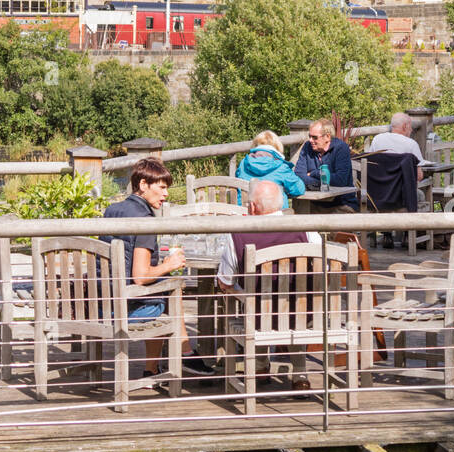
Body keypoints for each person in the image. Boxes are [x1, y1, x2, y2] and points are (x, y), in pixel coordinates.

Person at [102, 156, 208, 382]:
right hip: (126, 310)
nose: (166, 194)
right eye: (161, 188)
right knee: (169, 294)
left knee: (165, 288)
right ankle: (180, 355)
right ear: (143, 185)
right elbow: (140, 277)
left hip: (101, 304)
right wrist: (169, 265)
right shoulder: (145, 220)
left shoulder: (111, 211)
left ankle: (170, 360)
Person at [216, 178, 314, 391]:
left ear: (251, 207)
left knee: (254, 302)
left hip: (258, 317)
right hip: (304, 315)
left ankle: (259, 367)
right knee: (292, 304)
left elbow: (225, 281)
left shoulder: (238, 235)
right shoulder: (306, 230)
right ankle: (300, 375)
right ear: (281, 205)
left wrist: (235, 289)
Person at [295, 119, 357, 212]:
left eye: (315, 137)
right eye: (309, 136)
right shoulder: (307, 147)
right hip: (313, 203)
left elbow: (341, 180)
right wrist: (320, 184)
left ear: (327, 137)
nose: (310, 140)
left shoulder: (341, 148)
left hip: (342, 204)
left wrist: (313, 173)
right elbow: (298, 174)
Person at [235, 130, 306, 209]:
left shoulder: (243, 164)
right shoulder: (281, 167)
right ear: (277, 147)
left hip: (244, 214)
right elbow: (299, 189)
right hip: (274, 217)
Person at [369, 112, 425, 182]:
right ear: (404, 126)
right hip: (402, 191)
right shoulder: (411, 144)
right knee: (420, 193)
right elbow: (419, 176)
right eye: (410, 127)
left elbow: (369, 164)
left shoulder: (377, 139)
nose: (411, 130)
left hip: (380, 188)